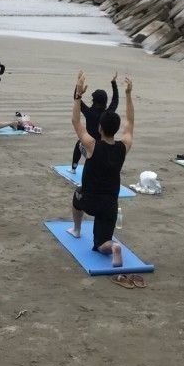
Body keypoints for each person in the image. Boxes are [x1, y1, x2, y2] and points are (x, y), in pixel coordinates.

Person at [66, 72, 134, 267]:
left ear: (101, 128)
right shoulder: (124, 147)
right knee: (102, 243)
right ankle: (113, 247)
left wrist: (79, 94)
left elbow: (76, 122)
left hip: (89, 200)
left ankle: (77, 230)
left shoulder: (91, 145)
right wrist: (128, 95)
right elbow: (130, 124)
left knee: (77, 194)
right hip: (110, 205)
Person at [70, 70, 119, 174]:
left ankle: (73, 168)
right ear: (105, 101)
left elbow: (76, 98)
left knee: (78, 144)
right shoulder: (108, 114)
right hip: (103, 148)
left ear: (93, 101)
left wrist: (79, 87)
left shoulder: (89, 112)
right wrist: (113, 83)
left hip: (89, 146)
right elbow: (115, 100)